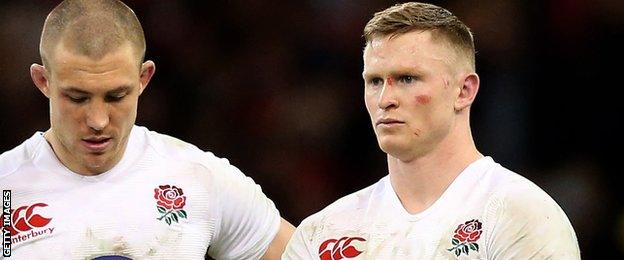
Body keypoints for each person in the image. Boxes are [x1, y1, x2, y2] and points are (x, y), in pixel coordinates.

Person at [283, 2, 580, 259]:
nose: (386, 99)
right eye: (374, 81)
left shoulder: (520, 215)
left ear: (464, 91)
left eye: (408, 79)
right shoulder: (323, 233)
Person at [0, 0, 294, 259]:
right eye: (77, 98)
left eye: (116, 96)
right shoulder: (6, 187)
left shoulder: (198, 178)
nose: (98, 120)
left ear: (143, 78)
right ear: (43, 81)